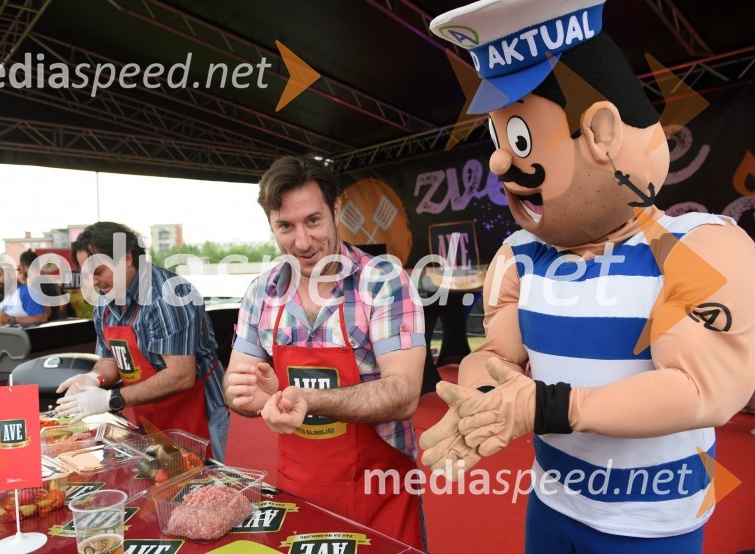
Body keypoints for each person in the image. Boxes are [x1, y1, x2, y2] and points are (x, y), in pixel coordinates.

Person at [420, 0, 755, 552]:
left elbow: (702, 390)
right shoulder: (521, 255)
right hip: (551, 504)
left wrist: (546, 406)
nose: (501, 164)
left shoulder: (697, 247)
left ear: (600, 133)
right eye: (500, 142)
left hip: (651, 525)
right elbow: (498, 355)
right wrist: (484, 400)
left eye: (521, 140)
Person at [224, 156, 426, 549]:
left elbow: (404, 393)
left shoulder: (383, 282)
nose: (301, 242)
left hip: (380, 489)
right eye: (285, 226)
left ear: (335, 211)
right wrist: (251, 397)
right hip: (299, 492)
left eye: (313, 221)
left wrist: (307, 399)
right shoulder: (260, 293)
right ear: (271, 225)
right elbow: (237, 391)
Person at [55, 222, 230, 462]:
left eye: (98, 271)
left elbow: (180, 375)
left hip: (193, 409)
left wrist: (110, 399)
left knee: (198, 485)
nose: (94, 282)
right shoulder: (105, 301)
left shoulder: (168, 297)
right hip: (145, 409)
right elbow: (111, 360)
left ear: (126, 258)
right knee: (160, 482)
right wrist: (93, 379)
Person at [0, 262, 47, 327]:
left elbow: (41, 318)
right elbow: (4, 321)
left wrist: (11, 320)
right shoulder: (5, 298)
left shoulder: (26, 292)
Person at [19, 250, 70, 321]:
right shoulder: (49, 280)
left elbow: (46, 313)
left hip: (45, 328)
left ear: (23, 266)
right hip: (55, 325)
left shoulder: (37, 284)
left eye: (20, 268)